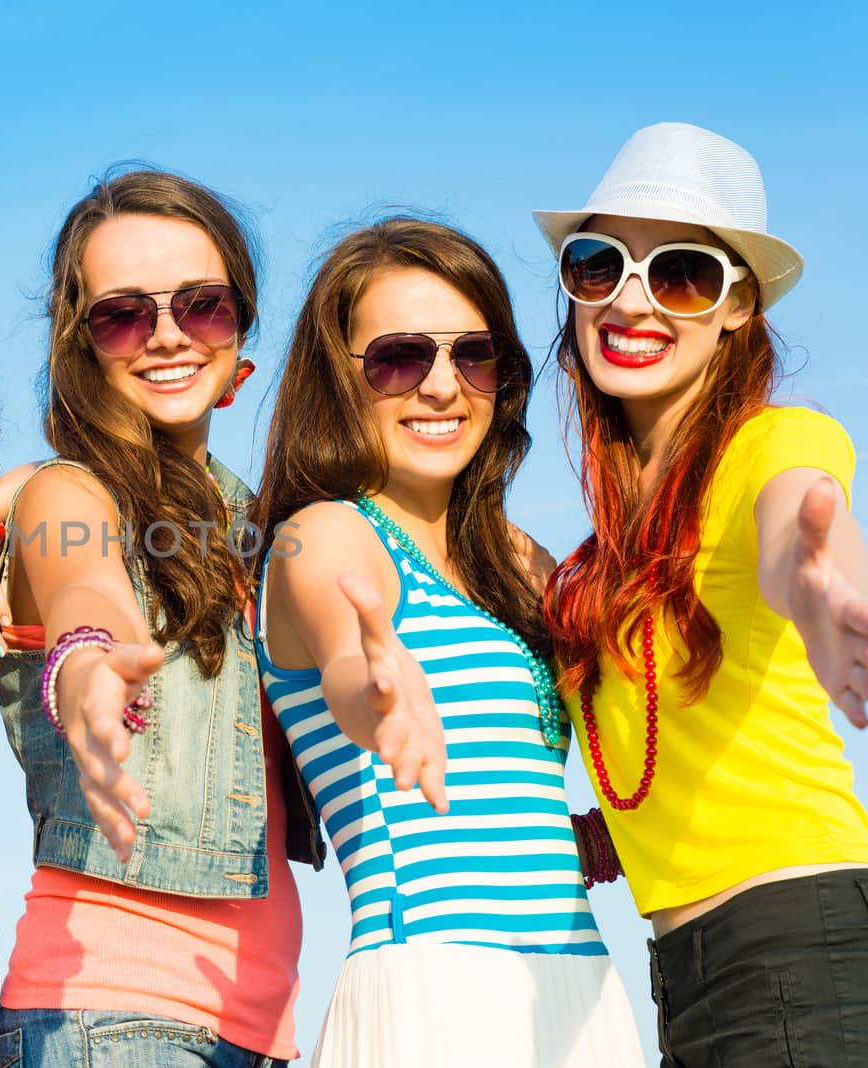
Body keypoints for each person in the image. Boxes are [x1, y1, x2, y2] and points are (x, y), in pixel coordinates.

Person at [250, 217, 642, 1066]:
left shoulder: (523, 560)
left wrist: (586, 832)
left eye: (473, 355)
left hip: (579, 994)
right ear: (338, 379)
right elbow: (351, 652)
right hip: (438, 991)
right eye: (398, 357)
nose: (440, 386)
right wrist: (378, 697)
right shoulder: (325, 533)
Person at [536, 121, 868, 1066]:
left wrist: (823, 582)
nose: (631, 299)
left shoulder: (765, 446)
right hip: (689, 969)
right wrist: (606, 828)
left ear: (738, 309)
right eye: (601, 265)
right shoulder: (608, 556)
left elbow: (800, 521)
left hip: (798, 943)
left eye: (680, 273)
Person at [0, 169, 324, 1068]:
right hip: (112, 1018)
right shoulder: (67, 489)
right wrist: (89, 666)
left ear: (241, 323)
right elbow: (82, 585)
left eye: (202, 305)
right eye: (124, 314)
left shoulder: (251, 524)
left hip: (249, 1029)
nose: (169, 334)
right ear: (83, 342)